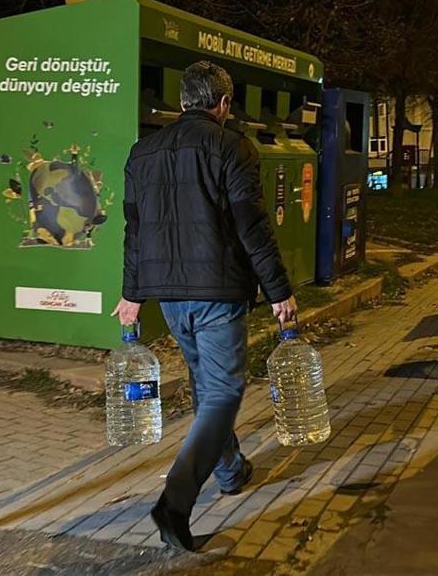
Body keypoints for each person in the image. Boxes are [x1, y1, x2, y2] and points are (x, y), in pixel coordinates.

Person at [113, 61, 298, 551]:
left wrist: (132, 292)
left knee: (205, 381)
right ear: (222, 104)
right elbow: (251, 226)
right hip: (216, 291)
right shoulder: (232, 147)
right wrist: (279, 290)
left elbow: (134, 231)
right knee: (222, 393)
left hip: (170, 297)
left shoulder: (142, 152)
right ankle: (174, 502)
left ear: (182, 102)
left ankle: (231, 469)